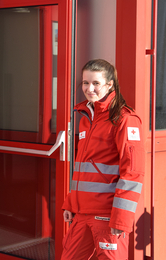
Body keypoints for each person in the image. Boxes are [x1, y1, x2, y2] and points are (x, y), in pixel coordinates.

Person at [61, 59, 144, 259]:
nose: (89, 88)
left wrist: (122, 219)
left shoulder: (124, 119)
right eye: (85, 82)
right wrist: (71, 203)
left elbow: (132, 172)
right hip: (81, 213)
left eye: (96, 83)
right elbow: (84, 168)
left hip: (107, 216)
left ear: (110, 85)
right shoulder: (85, 119)